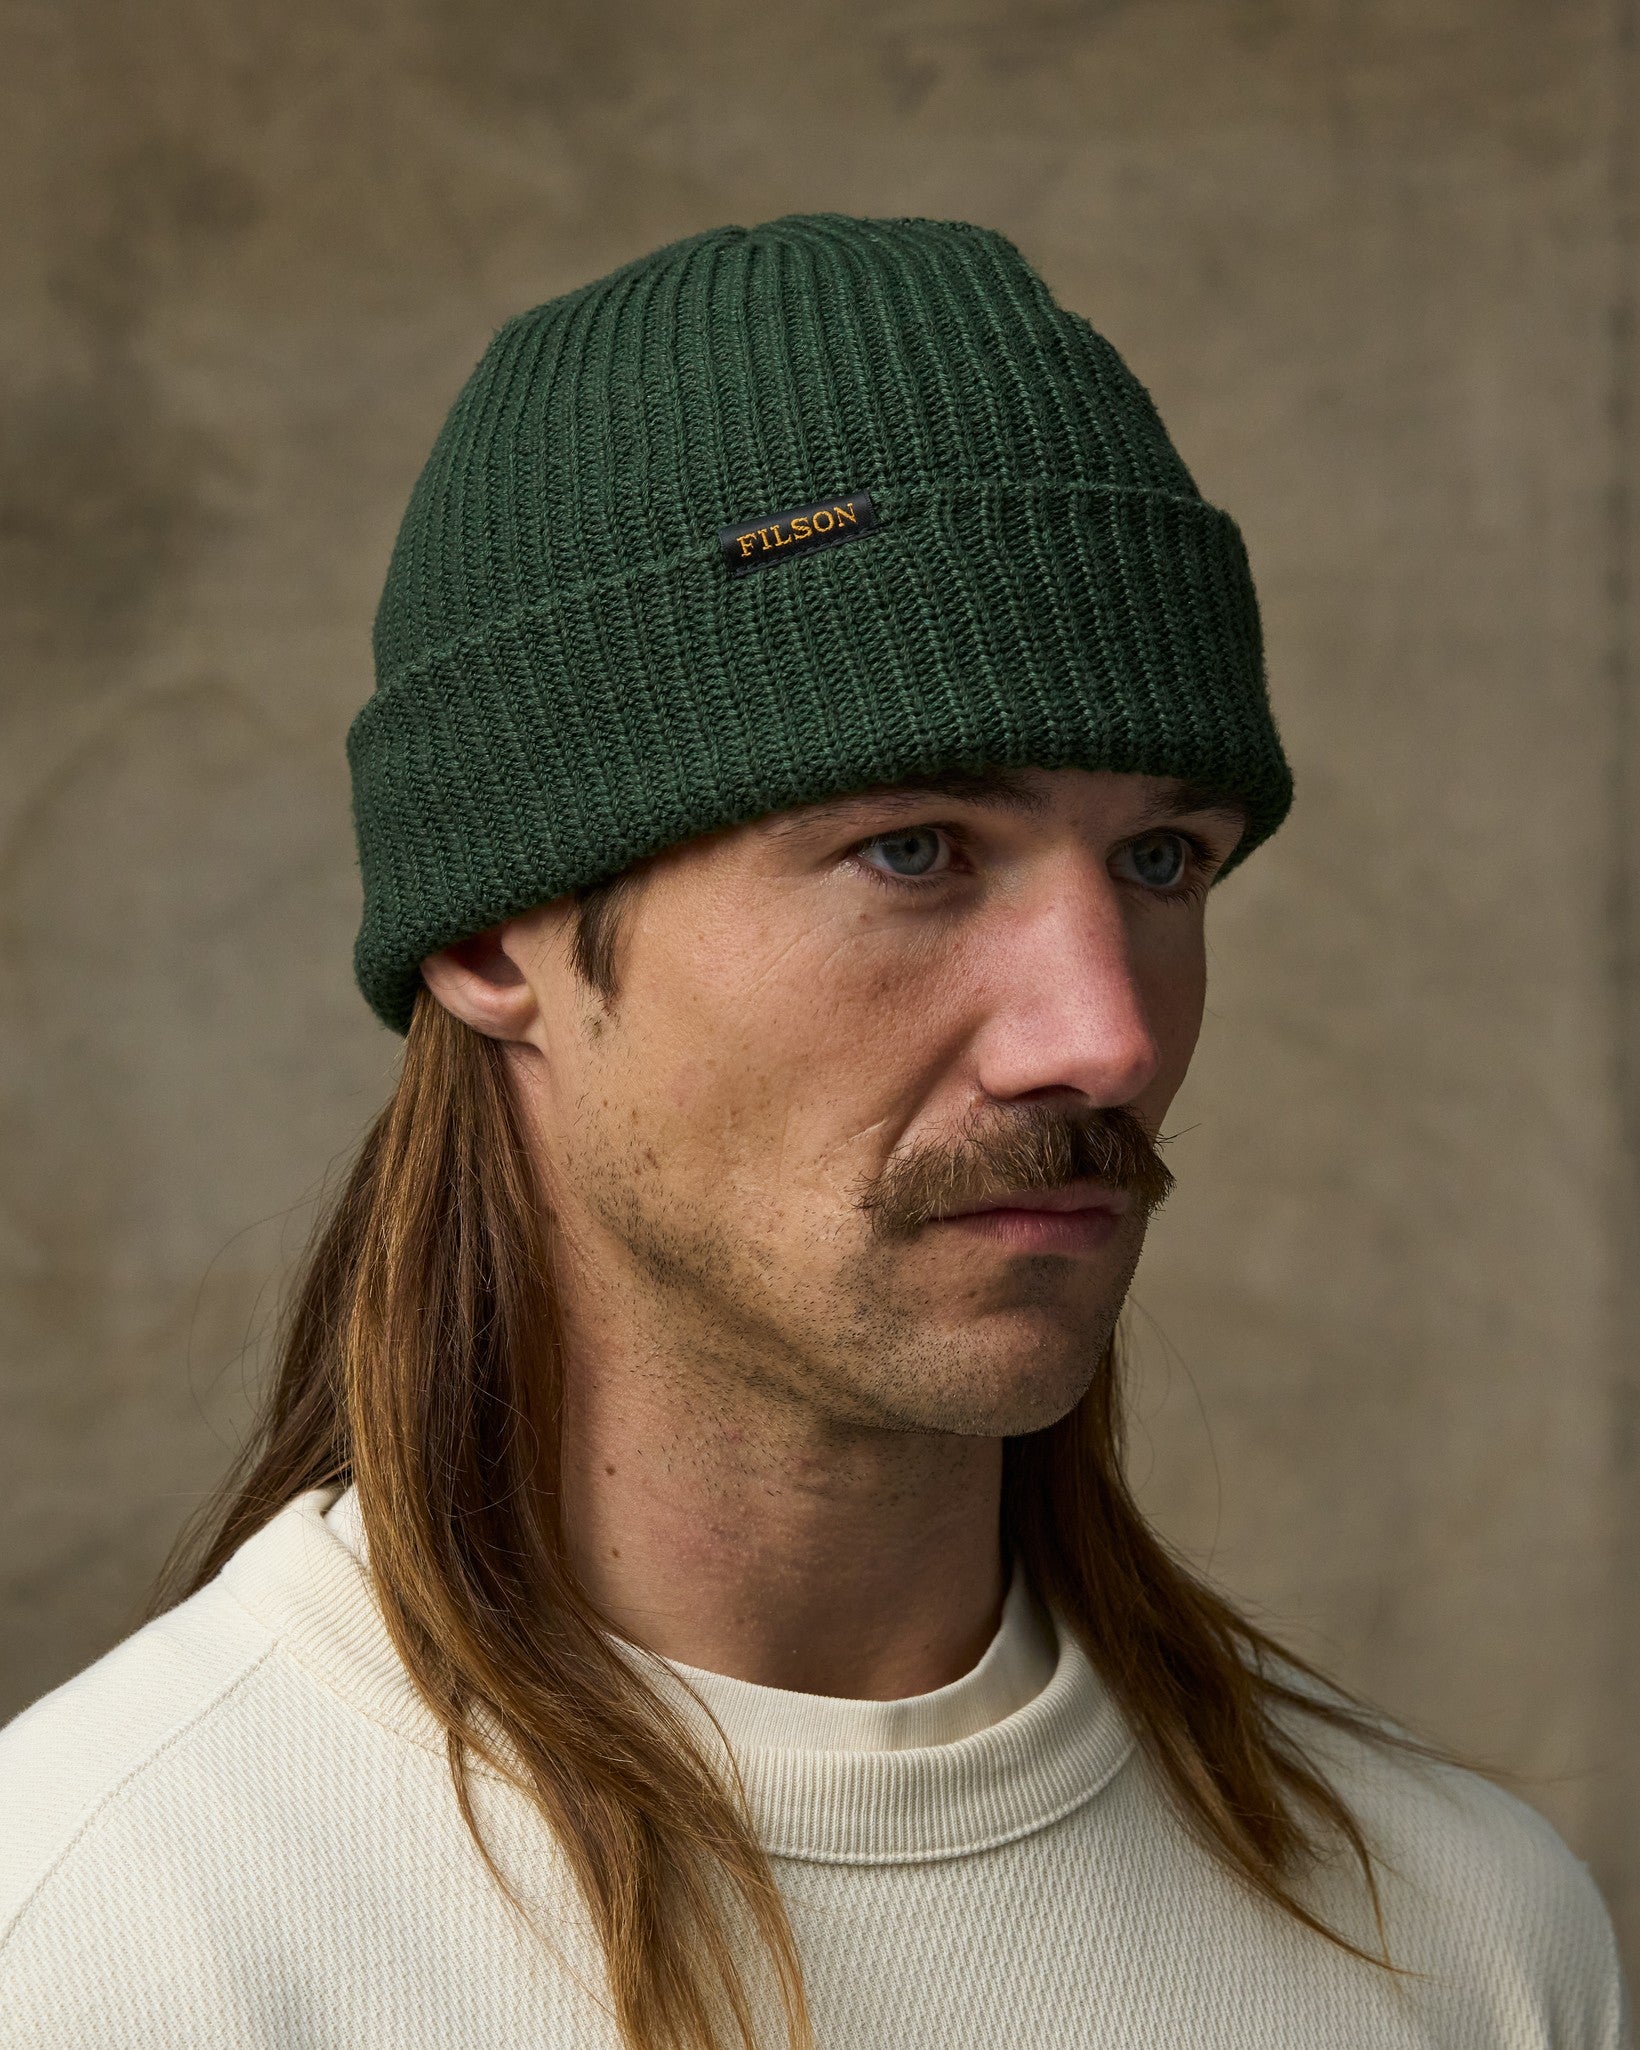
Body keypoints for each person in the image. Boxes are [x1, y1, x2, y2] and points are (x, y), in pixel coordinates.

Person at [0, 212, 1627, 2050]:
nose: (1105, 1035)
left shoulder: (1463, 1942)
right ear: (494, 933)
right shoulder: (105, 1945)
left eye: (1163, 860)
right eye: (915, 850)